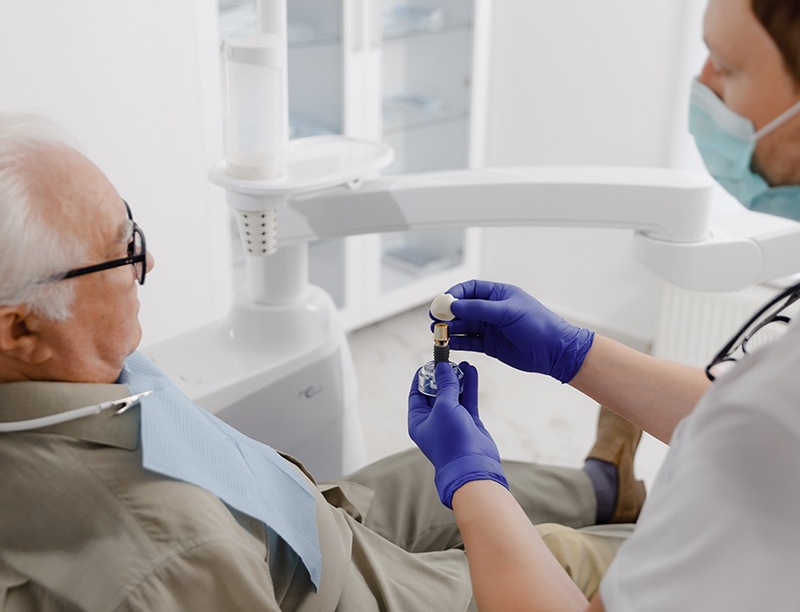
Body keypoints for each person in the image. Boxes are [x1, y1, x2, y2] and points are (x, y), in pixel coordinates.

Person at [0, 111, 641, 610]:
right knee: (568, 558)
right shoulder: (171, 556)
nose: (149, 264)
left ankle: (604, 488)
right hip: (332, 593)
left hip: (298, 519)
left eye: (133, 227)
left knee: (425, 479)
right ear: (23, 327)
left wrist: (563, 359)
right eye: (124, 251)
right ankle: (630, 537)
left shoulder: (68, 368)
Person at [407, 0, 800, 610]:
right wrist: (572, 352)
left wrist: (470, 479)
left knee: (524, 555)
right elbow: (748, 425)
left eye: (727, 66)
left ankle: (598, 491)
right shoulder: (767, 415)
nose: (702, 85)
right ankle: (604, 488)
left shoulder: (769, 420)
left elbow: (761, 430)